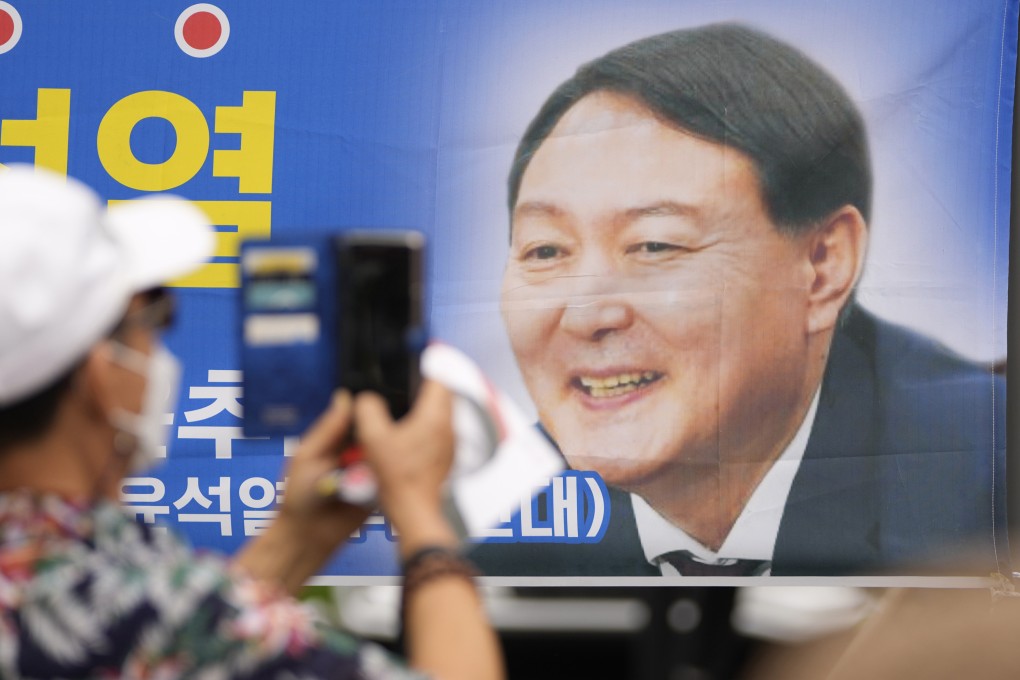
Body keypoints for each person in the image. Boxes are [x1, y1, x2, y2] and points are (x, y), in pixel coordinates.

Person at [473, 23, 1007, 577]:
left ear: (823, 266)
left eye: (655, 245)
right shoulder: (503, 515)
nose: (586, 316)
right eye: (545, 251)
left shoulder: (986, 485)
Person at [0, 166, 504, 679]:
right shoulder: (136, 601)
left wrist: (296, 538)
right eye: (154, 319)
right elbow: (173, 634)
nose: (160, 352)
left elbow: (175, 652)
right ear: (101, 375)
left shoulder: (116, 595)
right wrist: (420, 518)